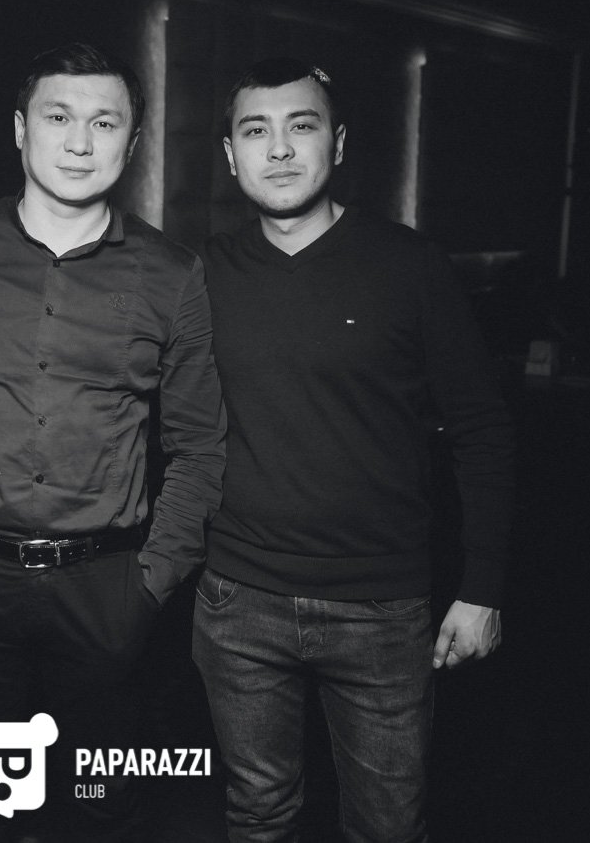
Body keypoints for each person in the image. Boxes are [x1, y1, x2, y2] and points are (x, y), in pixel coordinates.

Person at [0, 42, 226, 843]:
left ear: (133, 142)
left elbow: (200, 447)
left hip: (107, 589)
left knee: (102, 806)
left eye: (105, 123)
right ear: (21, 130)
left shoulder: (172, 273)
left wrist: (151, 585)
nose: (80, 142)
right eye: (59, 117)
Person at [191, 57, 514, 842]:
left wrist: (483, 587)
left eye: (300, 126)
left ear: (336, 143)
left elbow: (482, 428)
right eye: (255, 131)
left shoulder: (411, 266)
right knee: (257, 813)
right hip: (238, 600)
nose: (278, 149)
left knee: (388, 826)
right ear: (231, 154)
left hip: (381, 608)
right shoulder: (199, 275)